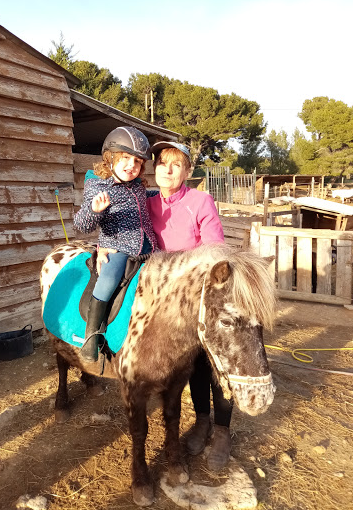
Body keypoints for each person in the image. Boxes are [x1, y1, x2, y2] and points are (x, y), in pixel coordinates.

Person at [147, 141, 233, 471]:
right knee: (191, 364)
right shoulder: (147, 203)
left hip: (203, 292)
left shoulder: (200, 201)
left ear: (187, 171)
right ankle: (202, 422)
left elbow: (214, 247)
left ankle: (222, 432)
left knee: (217, 363)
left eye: (176, 164)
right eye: (162, 163)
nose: (168, 170)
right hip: (171, 300)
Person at [73, 126, 157, 362]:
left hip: (150, 248)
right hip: (118, 249)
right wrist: (94, 210)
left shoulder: (138, 185)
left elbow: (145, 202)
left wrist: (162, 197)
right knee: (108, 281)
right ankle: (92, 337)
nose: (132, 165)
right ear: (110, 158)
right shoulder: (98, 187)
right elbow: (82, 224)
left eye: (138, 162)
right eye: (126, 159)